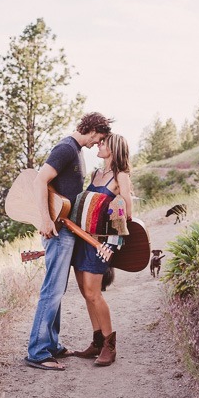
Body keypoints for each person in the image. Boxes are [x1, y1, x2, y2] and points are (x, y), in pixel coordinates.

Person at [24, 112, 114, 372]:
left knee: (57, 290)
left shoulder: (76, 151)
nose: (99, 143)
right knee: (51, 290)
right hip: (57, 229)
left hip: (67, 229)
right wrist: (45, 219)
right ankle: (38, 352)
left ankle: (51, 345)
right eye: (99, 138)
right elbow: (40, 180)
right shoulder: (65, 148)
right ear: (93, 129)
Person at [72, 132, 133, 366]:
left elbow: (126, 210)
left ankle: (109, 345)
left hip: (101, 243)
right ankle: (97, 341)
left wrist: (112, 242)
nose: (98, 143)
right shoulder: (97, 173)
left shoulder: (121, 176)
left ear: (114, 148)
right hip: (82, 239)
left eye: (103, 142)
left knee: (94, 293)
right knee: (85, 292)